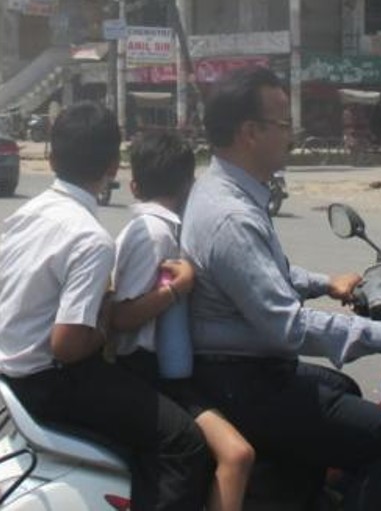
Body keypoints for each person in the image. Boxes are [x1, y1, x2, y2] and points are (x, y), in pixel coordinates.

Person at [180, 66, 381, 511]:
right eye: (283, 124)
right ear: (250, 132)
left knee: (343, 390)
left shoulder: (229, 190)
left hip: (241, 371)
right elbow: (289, 327)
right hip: (243, 382)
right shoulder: (231, 216)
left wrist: (325, 283)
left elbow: (266, 272)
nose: (292, 134)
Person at [0, 102, 211, 511]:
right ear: (114, 166)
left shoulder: (26, 214)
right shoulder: (90, 238)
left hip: (12, 367)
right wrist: (115, 315)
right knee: (184, 443)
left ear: (51, 157)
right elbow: (68, 345)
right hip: (53, 380)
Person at [111, 129, 254, 511]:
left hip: (165, 370)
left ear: (134, 185)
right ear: (190, 182)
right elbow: (121, 316)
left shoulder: (169, 228)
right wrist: (178, 289)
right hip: (145, 372)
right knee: (236, 455)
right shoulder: (154, 233)